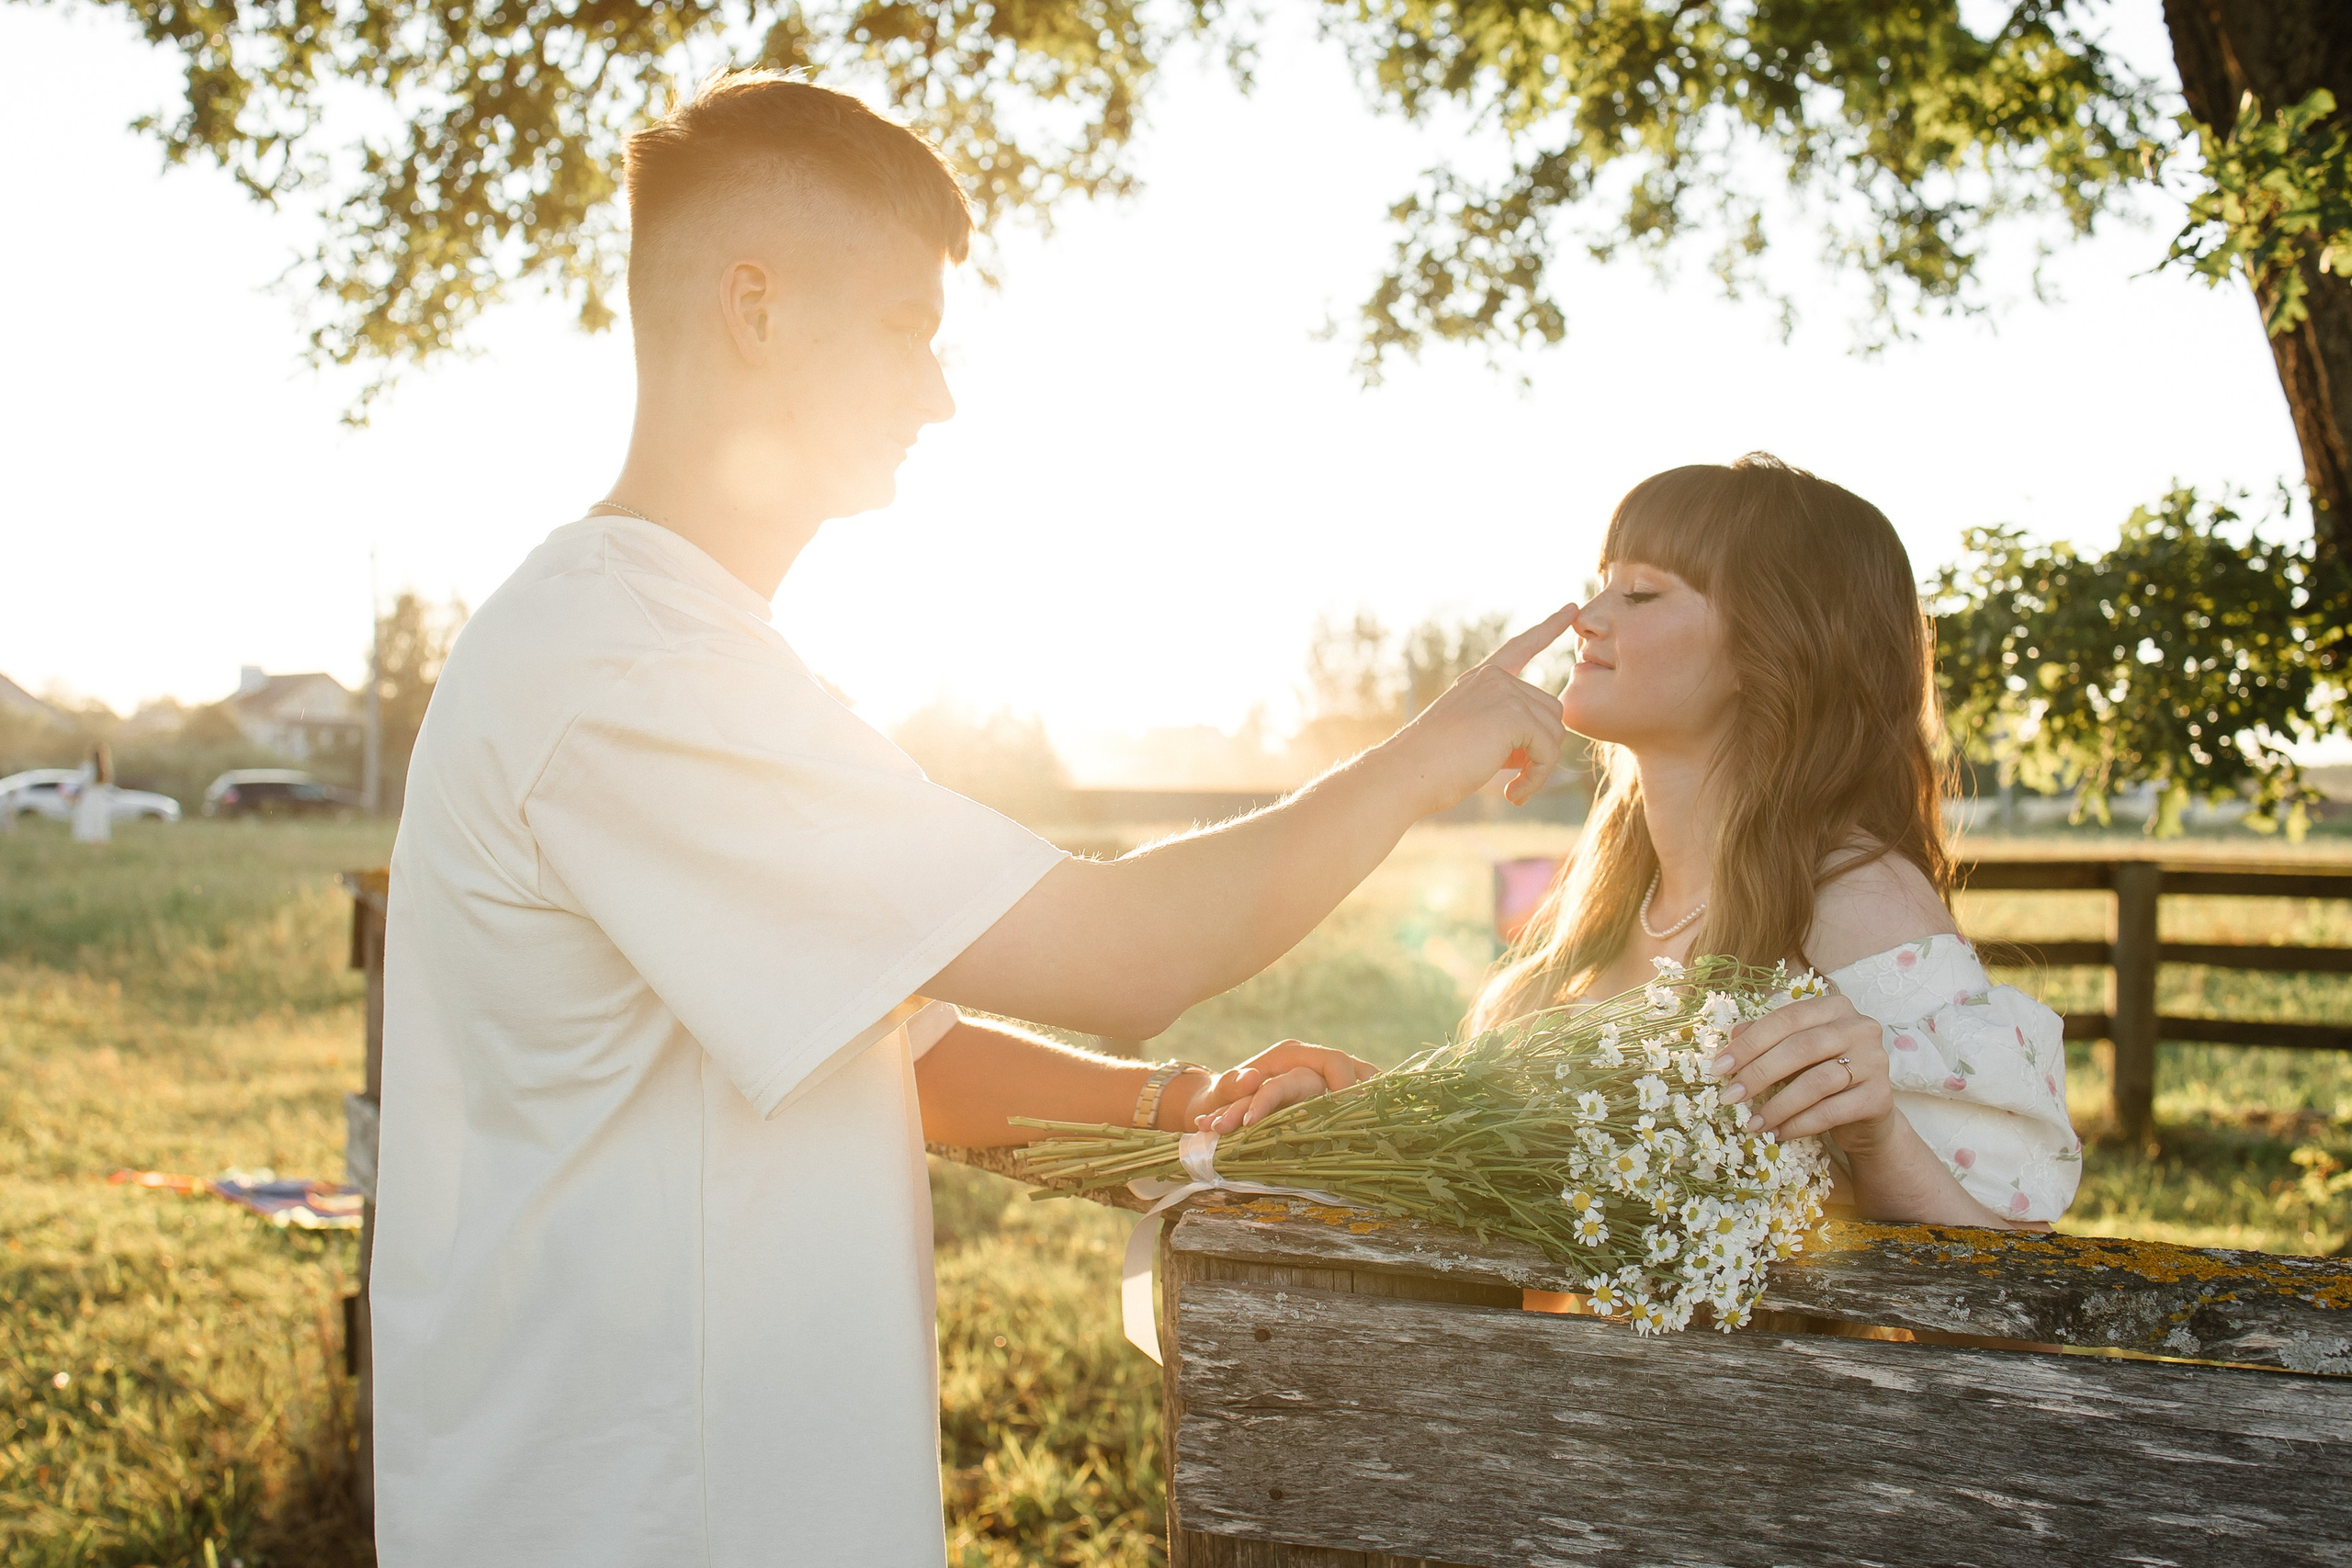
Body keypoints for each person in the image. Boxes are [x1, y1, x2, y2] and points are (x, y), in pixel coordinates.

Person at [368, 72, 1574, 1567]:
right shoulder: (637, 667)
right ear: (758, 309)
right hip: (643, 1509)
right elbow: (1114, 951)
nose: (937, 396)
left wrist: (1177, 1109)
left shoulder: (680, 647)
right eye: (905, 332)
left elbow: (898, 1046)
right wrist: (1420, 756)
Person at [1453, 455, 2081, 1229]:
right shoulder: (1611, 891)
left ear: (1771, 648)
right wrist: (1364, 1110)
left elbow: (2011, 1280)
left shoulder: (1857, 900)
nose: (1588, 614)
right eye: (1604, 580)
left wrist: (1881, 1139)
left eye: (1641, 591)